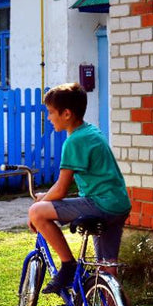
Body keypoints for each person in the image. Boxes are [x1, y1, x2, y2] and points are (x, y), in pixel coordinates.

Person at [27, 82, 131, 292]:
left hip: (101, 204)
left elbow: (61, 189)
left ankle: (68, 265)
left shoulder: (74, 141)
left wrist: (42, 200)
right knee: (107, 268)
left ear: (66, 114)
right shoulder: (91, 131)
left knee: (37, 212)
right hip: (118, 204)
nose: (48, 118)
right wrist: (48, 196)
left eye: (50, 112)